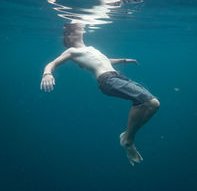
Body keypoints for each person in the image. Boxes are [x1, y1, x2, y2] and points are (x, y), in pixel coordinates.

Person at [40, 23, 160, 166]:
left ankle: (127, 136)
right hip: (107, 81)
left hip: (117, 76)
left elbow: (105, 61)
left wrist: (123, 60)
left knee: (153, 104)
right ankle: (128, 139)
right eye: (72, 31)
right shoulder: (72, 51)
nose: (79, 30)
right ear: (69, 37)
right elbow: (51, 64)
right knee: (149, 102)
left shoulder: (91, 49)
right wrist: (47, 73)